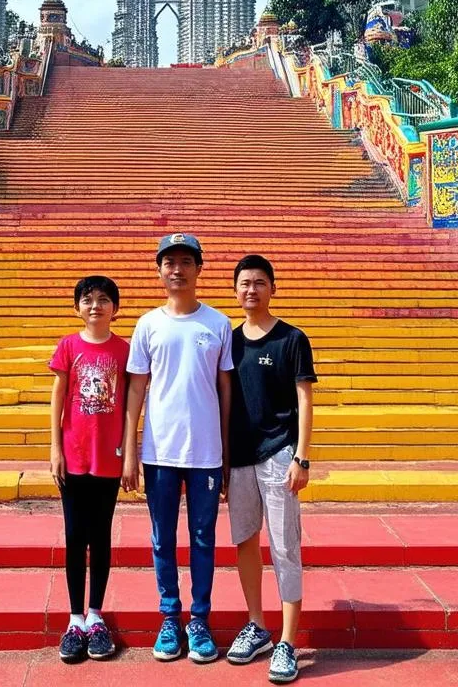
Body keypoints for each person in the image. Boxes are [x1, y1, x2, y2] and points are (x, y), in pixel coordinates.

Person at [122, 233, 233, 664]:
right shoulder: (148, 324)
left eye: (186, 261)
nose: (177, 269)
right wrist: (130, 450)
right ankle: (170, 618)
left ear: (199, 269)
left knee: (204, 538)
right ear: (159, 270)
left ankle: (200, 620)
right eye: (169, 262)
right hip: (159, 452)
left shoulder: (218, 324)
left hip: (205, 452)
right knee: (161, 539)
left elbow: (225, 391)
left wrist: (225, 452)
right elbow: (136, 390)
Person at [224, 255, 317, 685]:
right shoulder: (228, 339)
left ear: (273, 288)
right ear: (235, 289)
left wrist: (302, 456)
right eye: (244, 283)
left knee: (284, 548)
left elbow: (304, 400)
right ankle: (258, 625)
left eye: (260, 282)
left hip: (279, 454)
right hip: (239, 457)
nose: (251, 290)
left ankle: (287, 641)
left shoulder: (292, 339)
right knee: (244, 541)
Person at [49, 275, 130, 663]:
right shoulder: (69, 346)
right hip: (74, 453)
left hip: (108, 456)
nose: (94, 305)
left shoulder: (124, 350)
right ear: (77, 307)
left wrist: (130, 451)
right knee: (74, 535)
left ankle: (96, 615)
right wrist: (54, 448)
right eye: (87, 299)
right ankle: (74, 619)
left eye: (102, 299)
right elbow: (59, 397)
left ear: (115, 308)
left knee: (100, 535)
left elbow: (132, 405)